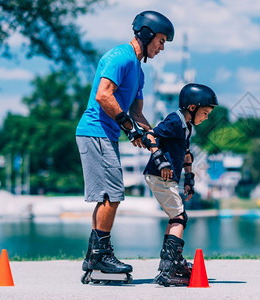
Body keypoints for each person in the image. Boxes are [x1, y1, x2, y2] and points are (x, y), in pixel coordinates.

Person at [75, 11, 174, 277]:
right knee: (112, 193)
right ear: (147, 34)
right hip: (95, 131)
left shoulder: (138, 72)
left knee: (107, 194)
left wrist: (154, 138)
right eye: (161, 41)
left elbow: (137, 114)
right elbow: (103, 95)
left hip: (106, 134)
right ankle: (101, 255)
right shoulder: (120, 57)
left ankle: (93, 255)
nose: (162, 48)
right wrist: (129, 129)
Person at [141, 83, 218, 286]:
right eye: (206, 112)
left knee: (175, 216)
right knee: (179, 217)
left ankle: (169, 265)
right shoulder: (174, 120)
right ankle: (170, 269)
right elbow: (150, 136)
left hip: (167, 178)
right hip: (160, 175)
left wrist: (190, 179)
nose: (207, 117)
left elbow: (186, 155)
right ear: (192, 108)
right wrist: (161, 161)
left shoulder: (186, 127)